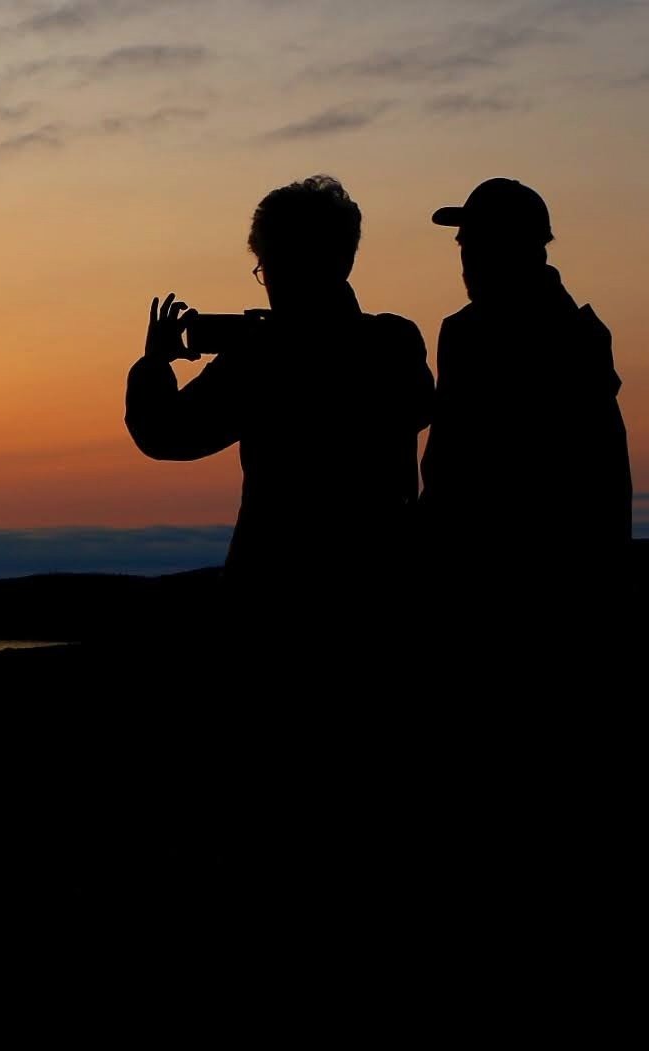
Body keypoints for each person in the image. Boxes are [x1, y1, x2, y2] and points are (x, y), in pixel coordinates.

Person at [124, 174, 435, 808]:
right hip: (383, 597)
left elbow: (168, 435)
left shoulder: (263, 359)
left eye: (265, 266)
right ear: (345, 256)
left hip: (274, 599)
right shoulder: (395, 341)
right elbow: (417, 406)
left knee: (271, 786)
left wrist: (156, 362)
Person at [419, 178, 638, 806]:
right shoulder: (579, 337)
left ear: (502, 249)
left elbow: (458, 472)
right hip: (570, 602)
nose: (461, 255)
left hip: (503, 605)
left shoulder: (475, 334)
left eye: (470, 243)